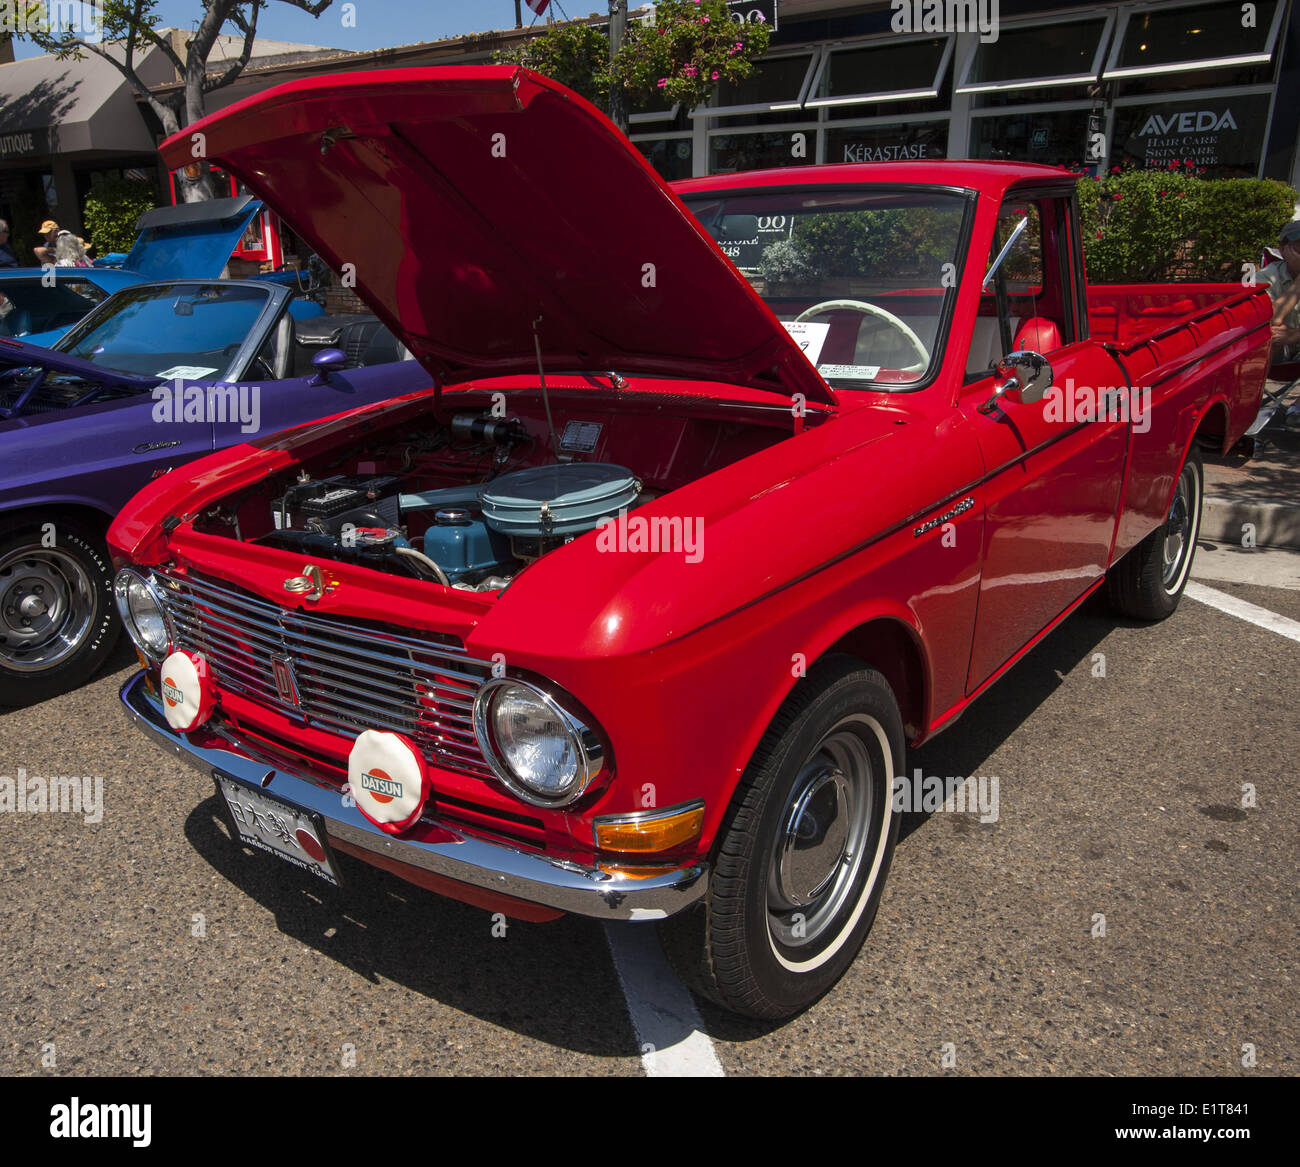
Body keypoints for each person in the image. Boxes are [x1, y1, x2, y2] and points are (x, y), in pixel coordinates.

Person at [1260, 219, 1300, 364]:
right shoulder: (1265, 277)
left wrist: (1295, 335)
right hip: (1280, 352)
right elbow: (1268, 321)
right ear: (1283, 250)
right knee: (1270, 334)